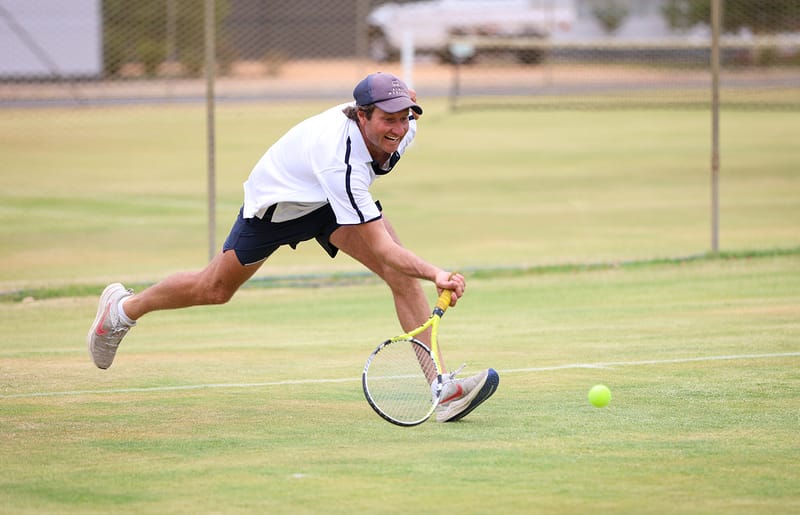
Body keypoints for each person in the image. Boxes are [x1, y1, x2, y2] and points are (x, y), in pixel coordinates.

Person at [87, 72, 499, 423]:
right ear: (361, 115)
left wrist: (405, 105)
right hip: (279, 204)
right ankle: (122, 310)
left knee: (400, 276)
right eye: (387, 119)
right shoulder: (339, 155)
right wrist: (436, 273)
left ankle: (440, 389)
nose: (397, 128)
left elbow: (389, 250)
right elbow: (382, 245)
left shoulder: (403, 128)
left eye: (404, 118)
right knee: (213, 289)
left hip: (330, 202)